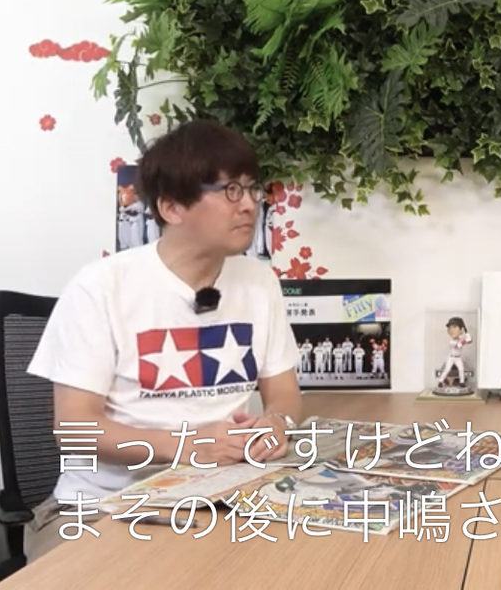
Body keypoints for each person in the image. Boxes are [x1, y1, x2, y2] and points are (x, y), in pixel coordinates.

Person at [24, 119, 305, 563]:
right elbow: (74, 429)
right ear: (172, 208)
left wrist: (276, 425)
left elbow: (284, 394)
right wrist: (190, 446)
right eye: (230, 190)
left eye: (253, 188)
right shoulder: (101, 287)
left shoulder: (259, 282)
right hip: (103, 509)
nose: (250, 204)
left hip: (223, 499)